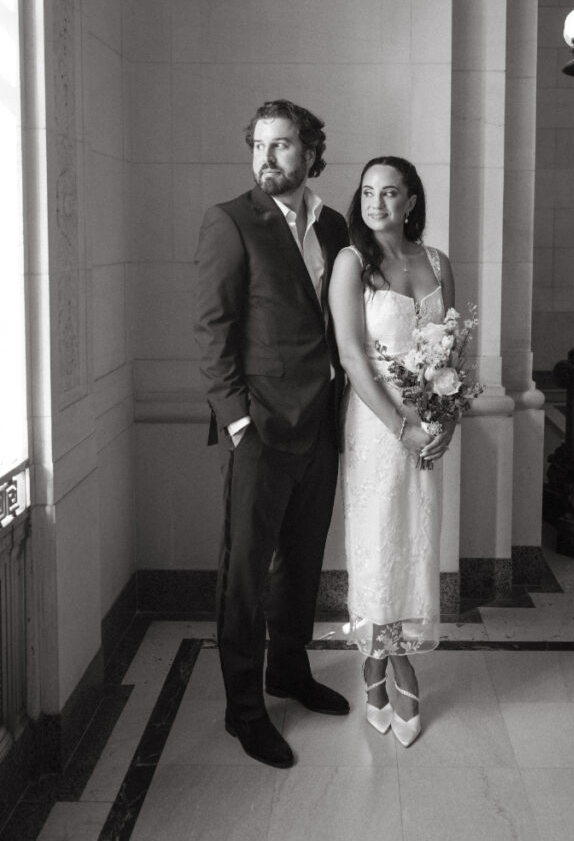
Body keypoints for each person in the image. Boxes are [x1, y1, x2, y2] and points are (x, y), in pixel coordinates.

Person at [194, 99, 350, 770]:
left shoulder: (336, 225)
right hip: (258, 428)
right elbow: (211, 331)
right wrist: (236, 422)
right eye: (258, 145)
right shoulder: (230, 222)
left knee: (303, 563)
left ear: (311, 153)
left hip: (322, 425)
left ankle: (288, 670)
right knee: (246, 576)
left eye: (281, 145)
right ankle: (244, 710)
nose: (266, 158)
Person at [328, 156, 457, 747]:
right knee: (379, 538)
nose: (377, 202)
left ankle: (376, 667)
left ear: (411, 202)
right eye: (368, 192)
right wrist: (400, 428)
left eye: (391, 193)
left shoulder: (437, 263)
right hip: (377, 423)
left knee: (414, 537)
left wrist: (445, 419)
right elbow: (353, 357)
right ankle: (396, 665)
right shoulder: (353, 263)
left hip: (427, 419)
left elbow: (450, 349)